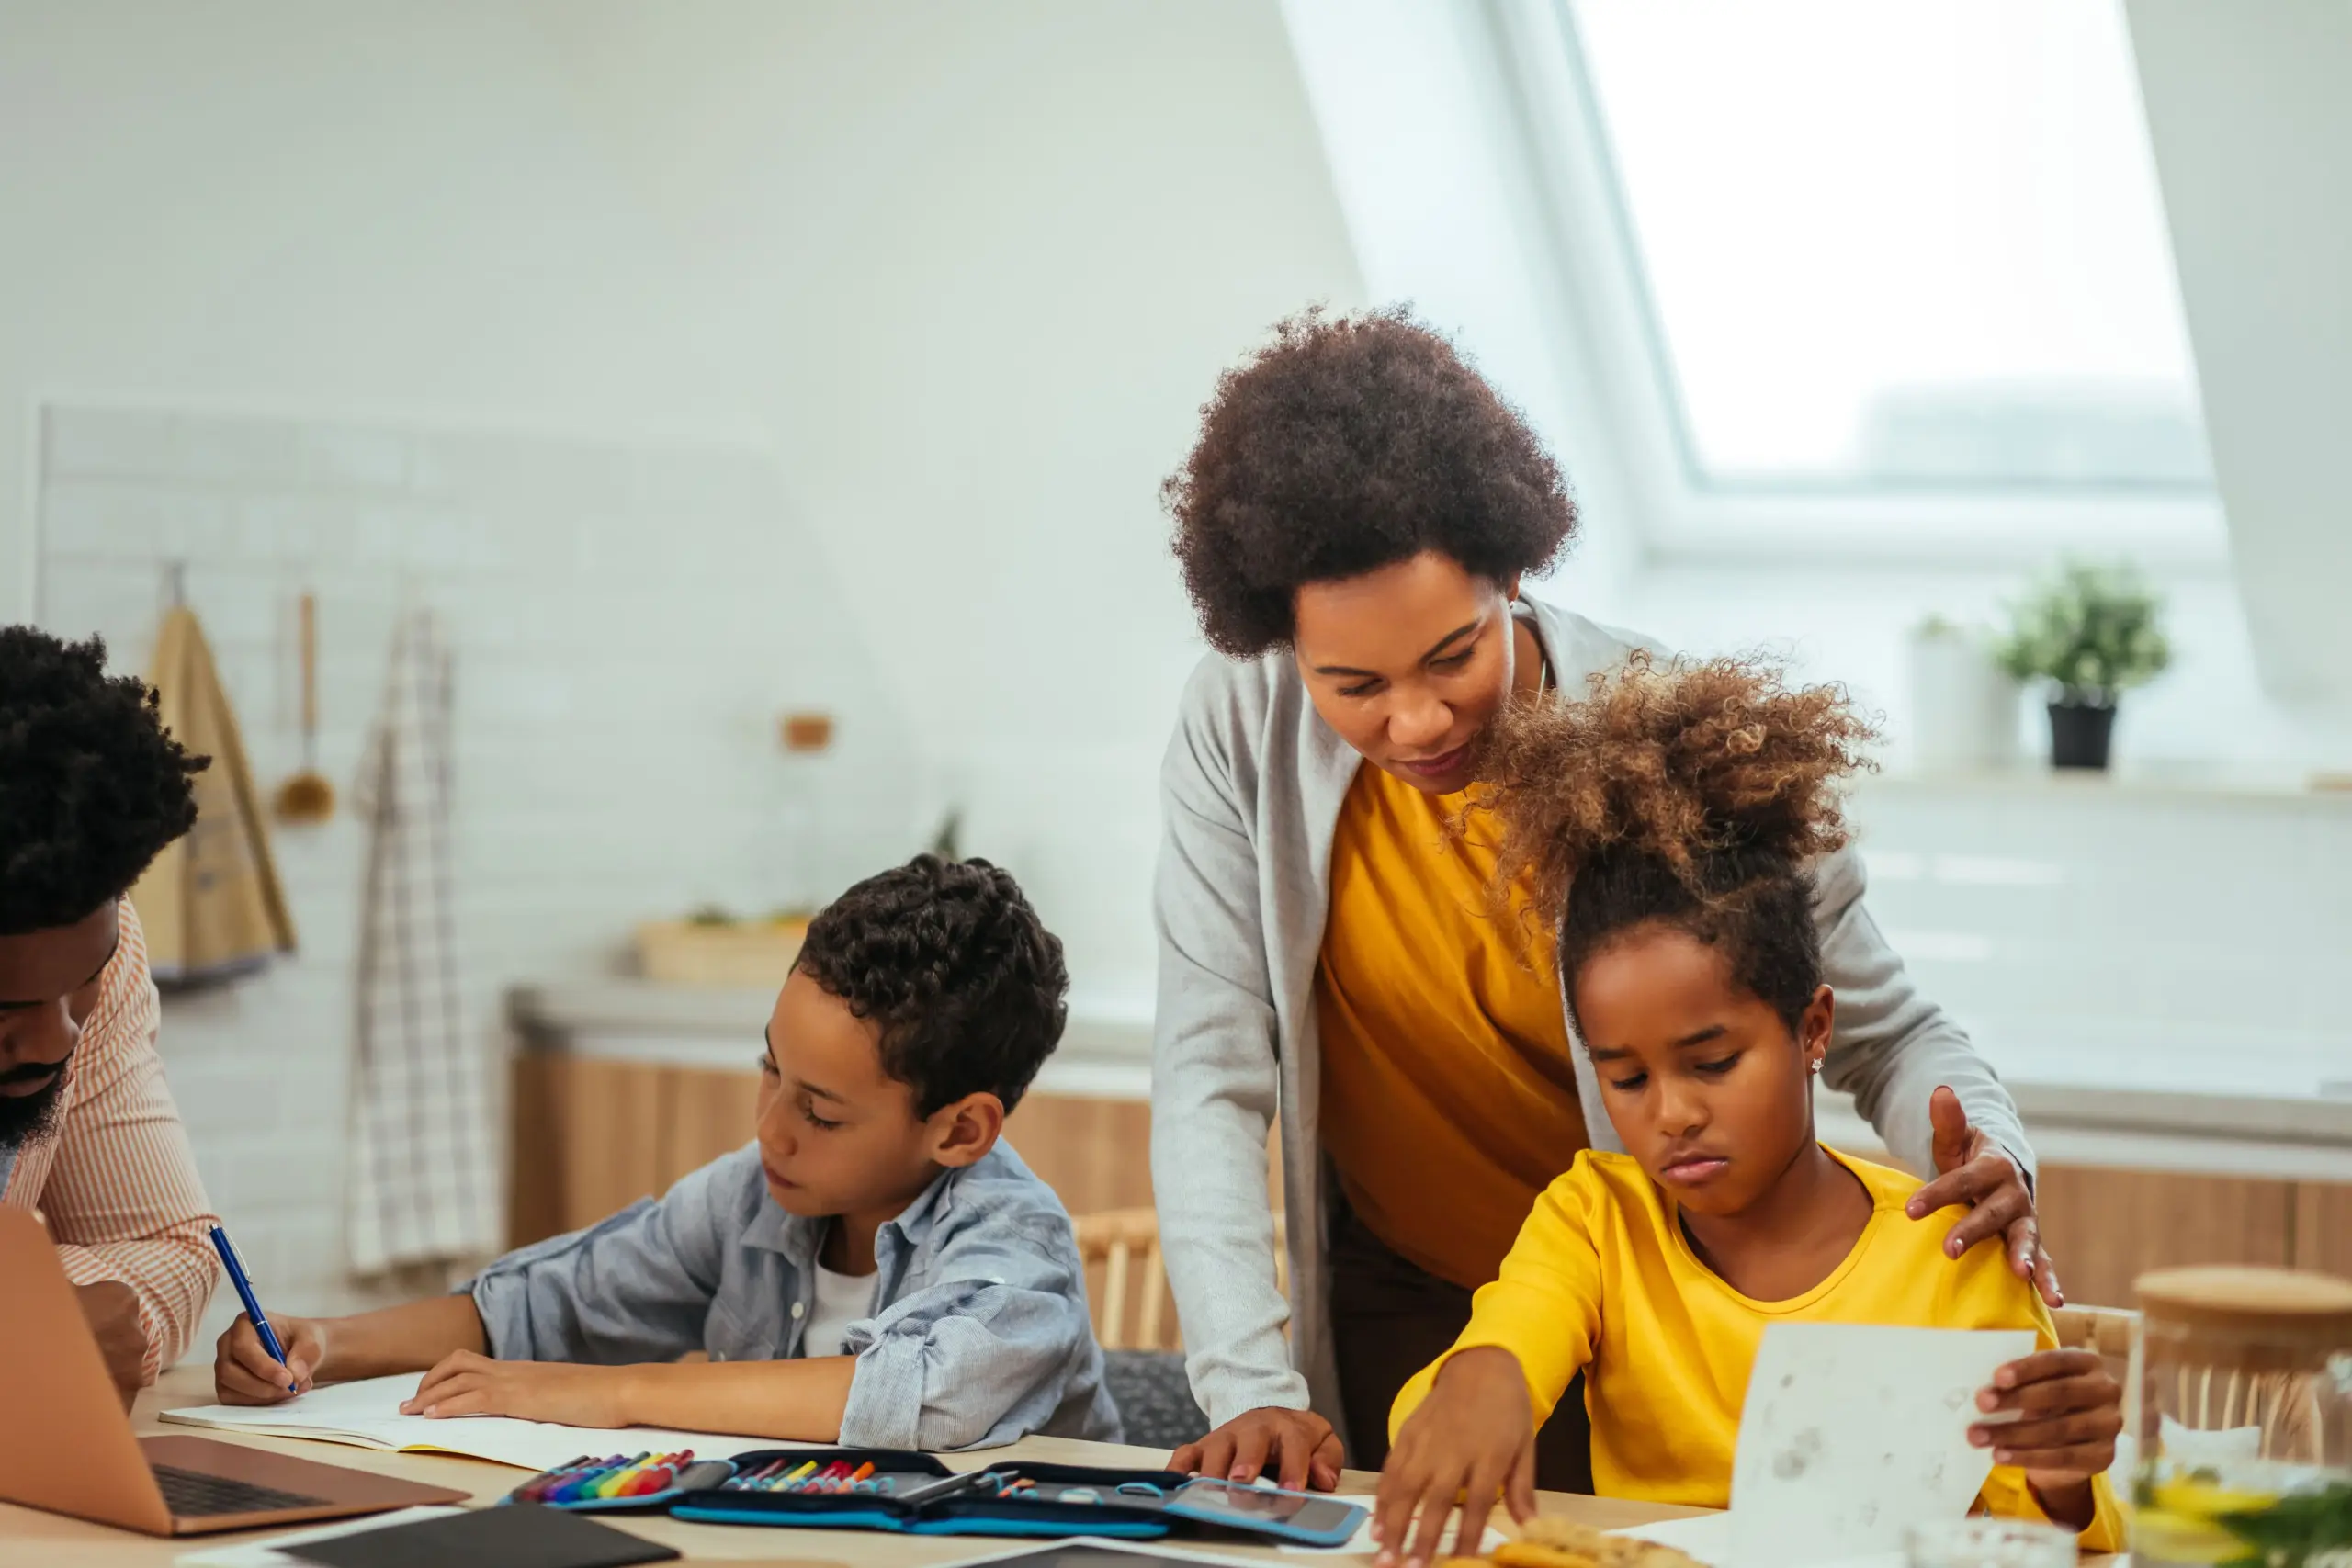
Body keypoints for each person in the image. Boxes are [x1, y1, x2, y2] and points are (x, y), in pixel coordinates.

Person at [1152, 308, 2055, 1492]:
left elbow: (1883, 1030)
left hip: (1637, 1299)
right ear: (1281, 646)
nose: (1414, 723)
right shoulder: (1237, 728)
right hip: (1399, 1293)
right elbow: (1209, 1069)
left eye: (1452, 656)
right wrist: (1251, 1386)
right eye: (1353, 685)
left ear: (1510, 575)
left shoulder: (1679, 745)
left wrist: (1995, 1152)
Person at [1372, 655, 2122, 1563]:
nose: (1672, 1115)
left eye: (1712, 1062)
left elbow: (2056, 1534)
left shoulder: (1953, 1250)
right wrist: (1480, 1376)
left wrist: (2062, 1475)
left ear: (1812, 1029)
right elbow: (1506, 1339)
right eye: (1627, 1077)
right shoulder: (1595, 1221)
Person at [215, 855, 1122, 1450]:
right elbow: (548, 1305)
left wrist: (606, 1396)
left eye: (822, 1111)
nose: (770, 1128)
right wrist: (329, 1343)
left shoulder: (1016, 1250)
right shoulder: (757, 1196)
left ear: (959, 1129)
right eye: (771, 1069)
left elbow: (915, 1391)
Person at [0, 627, 220, 1401]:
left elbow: (170, 1245)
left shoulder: (101, 953)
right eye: (7, 1009)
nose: (60, 1034)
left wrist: (52, 1316)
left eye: (81, 986)